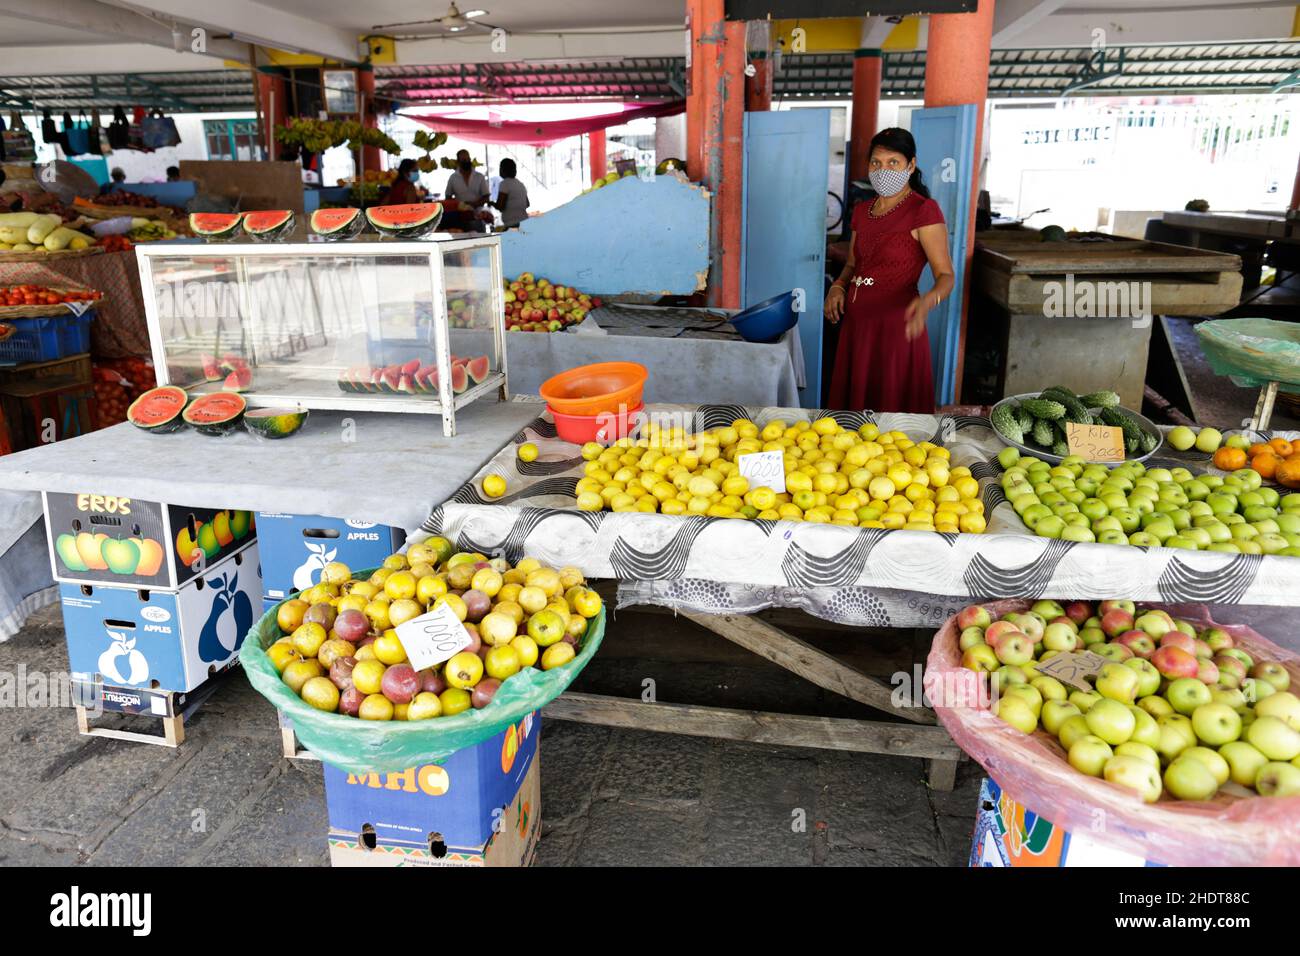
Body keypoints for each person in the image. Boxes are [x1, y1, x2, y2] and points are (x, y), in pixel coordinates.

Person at [823, 128, 955, 414]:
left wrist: (927, 302)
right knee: (854, 423)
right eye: (876, 163)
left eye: (893, 162)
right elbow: (853, 264)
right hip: (857, 327)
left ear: (911, 165)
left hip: (897, 328)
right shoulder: (862, 210)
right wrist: (838, 286)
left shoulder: (924, 211)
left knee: (894, 420)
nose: (883, 170)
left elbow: (946, 275)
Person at [444, 149, 490, 232]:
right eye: (464, 160)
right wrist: (459, 205)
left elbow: (486, 196)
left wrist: (475, 204)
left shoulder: (479, 176)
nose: (467, 161)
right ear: (458, 162)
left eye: (468, 159)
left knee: (480, 242)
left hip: (478, 216)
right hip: (459, 218)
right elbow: (448, 197)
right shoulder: (453, 178)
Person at [493, 158, 529, 229]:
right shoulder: (520, 184)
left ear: (502, 170)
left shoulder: (504, 183)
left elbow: (500, 206)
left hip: (512, 224)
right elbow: (527, 204)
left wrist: (491, 203)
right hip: (524, 222)